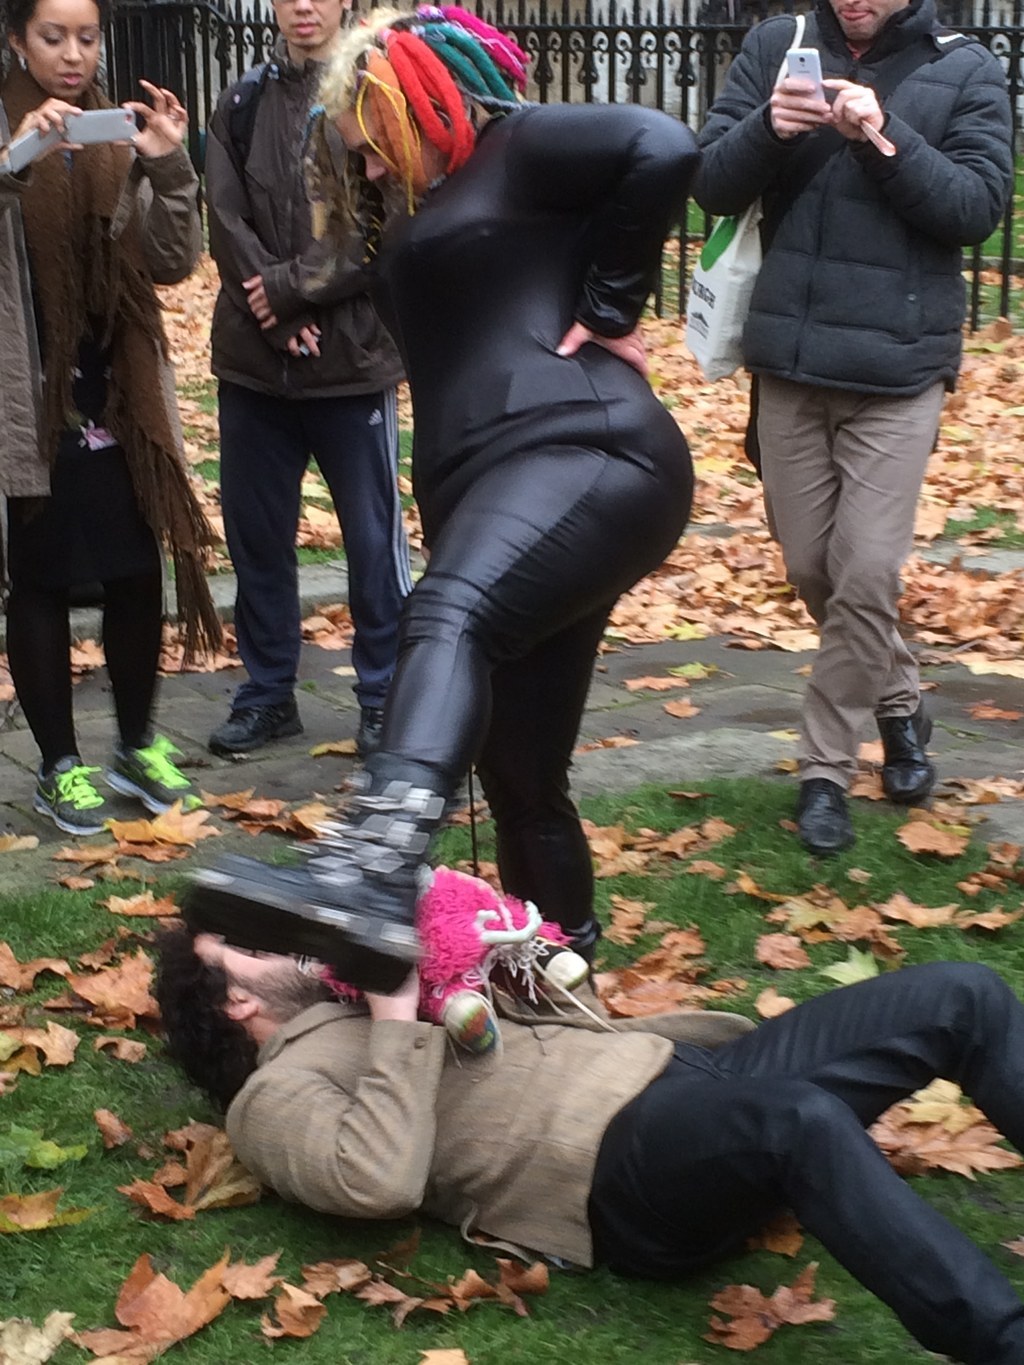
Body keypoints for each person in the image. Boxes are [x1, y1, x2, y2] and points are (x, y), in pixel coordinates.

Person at [184, 6, 697, 993]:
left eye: (375, 144)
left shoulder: (518, 145)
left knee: (444, 613)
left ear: (420, 98)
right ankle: (561, 975)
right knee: (519, 778)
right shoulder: (420, 207)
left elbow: (664, 144)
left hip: (582, 450)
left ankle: (374, 864)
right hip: (515, 491)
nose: (370, 169)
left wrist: (610, 307)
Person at [156, 928, 1024, 1363]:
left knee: (964, 991)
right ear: (234, 1000)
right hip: (619, 1165)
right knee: (795, 1118)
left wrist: (495, 955)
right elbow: (372, 1180)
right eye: (255, 942)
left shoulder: (356, 991)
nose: (286, 936)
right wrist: (392, 1015)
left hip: (683, 1072)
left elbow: (550, 1023)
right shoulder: (271, 1094)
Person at [692, 0, 1013, 857]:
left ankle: (825, 768)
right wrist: (771, 129)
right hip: (791, 362)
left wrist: (883, 137)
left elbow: (977, 208)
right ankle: (901, 704)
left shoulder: (965, 67)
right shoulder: (777, 45)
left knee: (866, 569)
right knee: (813, 567)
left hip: (901, 370)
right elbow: (711, 182)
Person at [0, 0, 220, 836]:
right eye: (52, 37)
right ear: (17, 38)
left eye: (86, 38)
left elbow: (172, 262)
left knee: (136, 573)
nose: (72, 54)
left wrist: (167, 166)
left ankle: (136, 743)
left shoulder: (115, 134)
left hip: (118, 400)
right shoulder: (9, 122)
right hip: (30, 398)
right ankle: (60, 764)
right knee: (43, 579)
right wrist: (22, 155)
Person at [204, 0, 410, 763]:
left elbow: (384, 217)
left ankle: (385, 694)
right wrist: (275, 313)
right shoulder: (241, 99)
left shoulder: (375, 92)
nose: (302, 7)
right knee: (258, 540)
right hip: (255, 366)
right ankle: (267, 695)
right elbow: (222, 217)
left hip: (352, 363)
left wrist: (295, 290)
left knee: (371, 537)